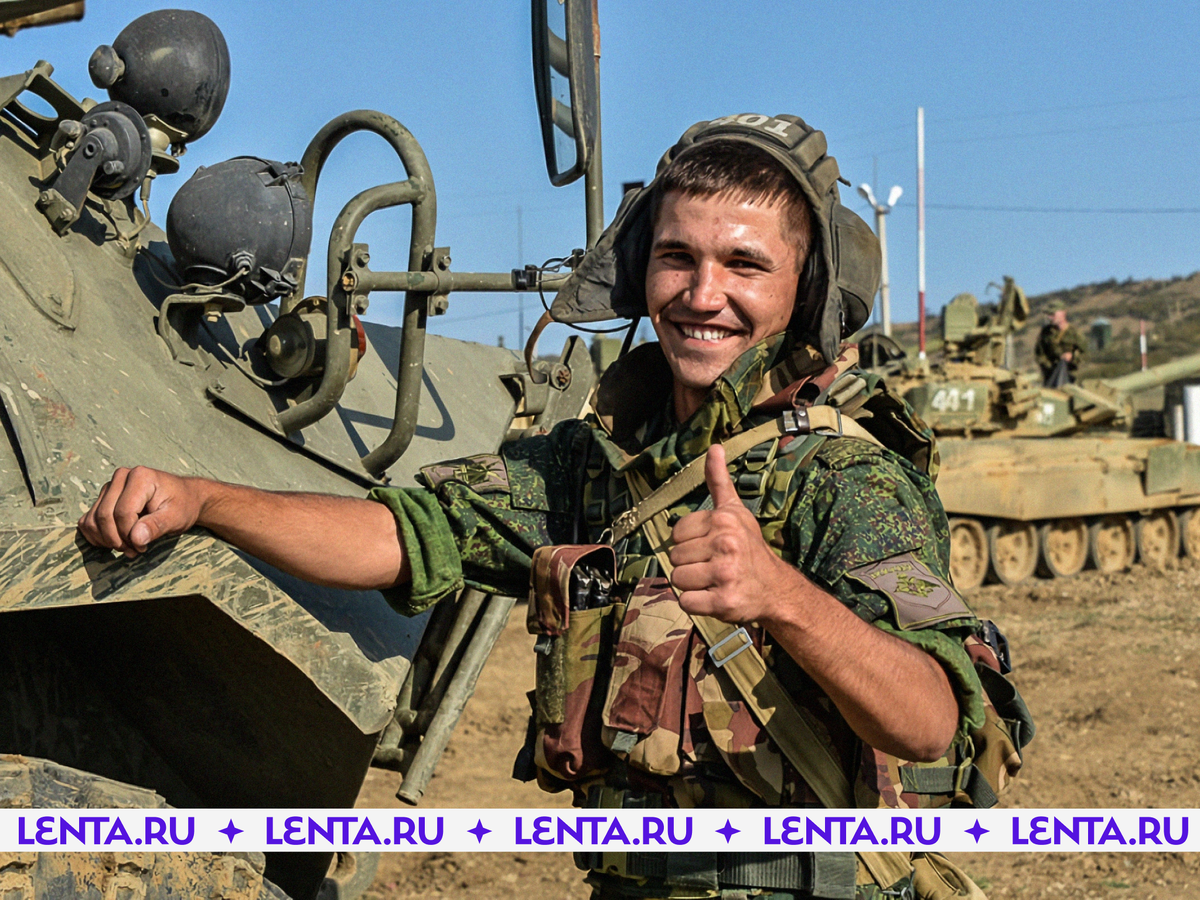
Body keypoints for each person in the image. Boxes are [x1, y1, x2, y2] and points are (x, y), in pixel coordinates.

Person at [79, 114, 1027, 900]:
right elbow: (407, 536)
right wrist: (204, 501)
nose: (703, 296)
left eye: (745, 265)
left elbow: (935, 718)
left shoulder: (844, 476)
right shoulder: (592, 463)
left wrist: (780, 595)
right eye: (676, 258)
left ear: (805, 287)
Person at [1035, 301, 1086, 385]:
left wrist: (1072, 356)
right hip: (1051, 378)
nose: (1050, 317)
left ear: (1063, 313)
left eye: (1052, 314)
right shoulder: (1045, 333)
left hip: (1072, 379)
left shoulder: (1075, 333)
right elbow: (1039, 354)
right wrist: (1050, 366)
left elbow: (1085, 354)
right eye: (1048, 314)